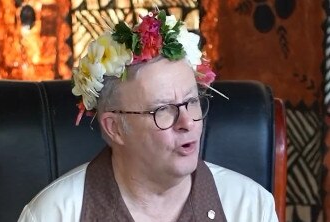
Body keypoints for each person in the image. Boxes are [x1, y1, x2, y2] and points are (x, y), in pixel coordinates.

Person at [18, 10, 278, 222]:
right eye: (163, 110)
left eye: (191, 102)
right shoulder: (53, 214)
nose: (187, 123)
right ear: (114, 128)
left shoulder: (251, 207)